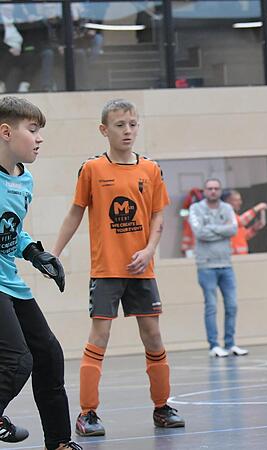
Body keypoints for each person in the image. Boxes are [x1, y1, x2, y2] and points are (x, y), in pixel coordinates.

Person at [52, 98, 185, 437]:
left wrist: (150, 249)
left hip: (142, 269)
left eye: (132, 124)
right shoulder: (92, 169)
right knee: (100, 336)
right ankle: (88, 414)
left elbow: (159, 215)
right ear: (104, 130)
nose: (127, 131)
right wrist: (53, 253)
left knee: (153, 336)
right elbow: (74, 213)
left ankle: (162, 407)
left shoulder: (151, 170)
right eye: (119, 125)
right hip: (106, 269)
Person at [0, 96, 81, 450]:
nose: (39, 138)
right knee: (18, 360)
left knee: (48, 354)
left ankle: (60, 443)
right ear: (6, 132)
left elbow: (13, 231)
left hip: (11, 282)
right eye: (32, 130)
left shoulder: (24, 179)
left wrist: (35, 254)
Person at [189, 178, 249, 358]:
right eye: (209, 188)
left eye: (216, 188)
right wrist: (220, 230)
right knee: (211, 306)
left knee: (232, 305)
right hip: (206, 265)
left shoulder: (227, 208)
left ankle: (230, 344)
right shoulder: (196, 209)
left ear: (220, 190)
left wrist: (211, 229)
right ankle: (214, 345)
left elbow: (232, 230)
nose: (213, 191)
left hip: (226, 264)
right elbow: (199, 232)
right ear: (204, 191)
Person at [221, 189, 267, 255]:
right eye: (236, 200)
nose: (240, 202)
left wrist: (254, 229)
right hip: (232, 258)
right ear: (227, 202)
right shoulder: (224, 215)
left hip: (242, 257)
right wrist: (257, 208)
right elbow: (241, 221)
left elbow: (244, 236)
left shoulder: (235, 216)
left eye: (239, 200)